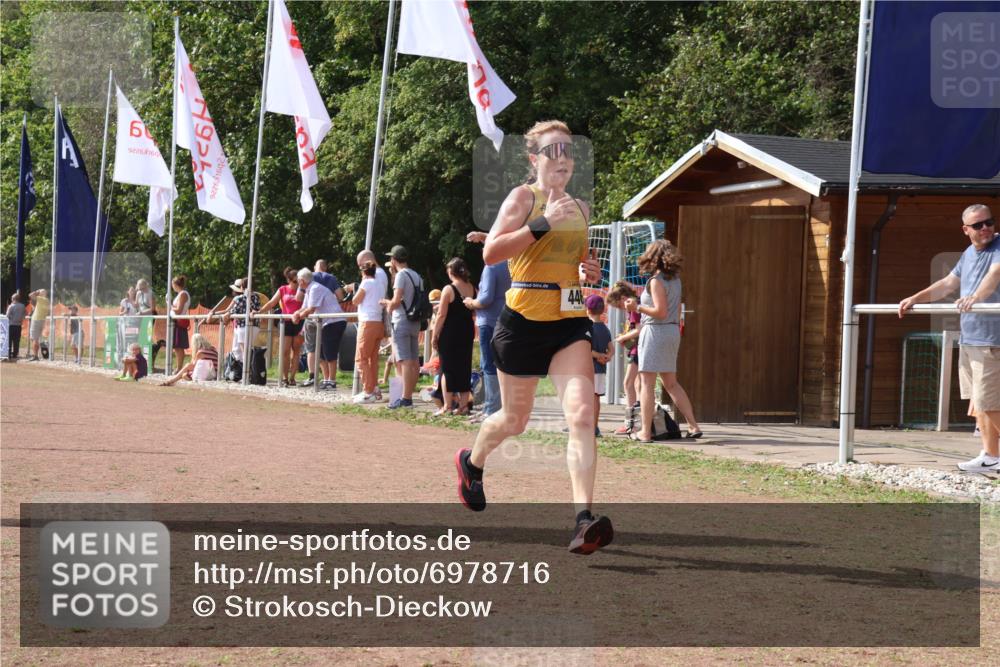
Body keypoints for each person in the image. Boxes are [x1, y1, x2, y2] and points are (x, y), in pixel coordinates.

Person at [453, 120, 611, 555]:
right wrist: (542, 222)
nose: (560, 158)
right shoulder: (524, 198)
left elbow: (581, 261)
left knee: (581, 416)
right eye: (551, 151)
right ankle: (472, 461)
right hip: (522, 321)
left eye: (567, 151)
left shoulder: (581, 208)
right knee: (514, 421)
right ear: (534, 159)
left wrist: (589, 271)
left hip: (568, 322)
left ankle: (583, 520)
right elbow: (491, 253)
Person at [899, 203, 1000, 472]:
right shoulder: (968, 253)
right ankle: (991, 457)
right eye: (978, 225)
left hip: (993, 339)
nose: (986, 228)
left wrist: (976, 298)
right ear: (966, 230)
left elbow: (994, 274)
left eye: (989, 222)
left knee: (990, 403)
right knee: (980, 404)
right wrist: (915, 298)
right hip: (971, 338)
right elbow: (947, 283)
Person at [625, 239, 702, 441]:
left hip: (655, 331)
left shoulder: (655, 281)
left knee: (647, 383)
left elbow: (660, 311)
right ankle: (693, 426)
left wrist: (637, 308)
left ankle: (645, 432)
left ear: (653, 256)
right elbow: (675, 310)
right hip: (671, 331)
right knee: (671, 383)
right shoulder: (676, 279)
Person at [463, 232, 512, 423]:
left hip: (488, 321)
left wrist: (471, 302)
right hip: (505, 319)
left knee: (488, 364)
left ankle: (491, 409)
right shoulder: (509, 264)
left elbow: (485, 299)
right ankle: (496, 407)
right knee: (501, 364)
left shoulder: (491, 267)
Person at [431, 257, 477, 416]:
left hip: (450, 332)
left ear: (451, 272)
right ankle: (463, 406)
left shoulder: (448, 289)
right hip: (466, 331)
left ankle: (447, 406)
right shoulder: (472, 288)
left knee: (447, 369)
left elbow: (441, 315)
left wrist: (435, 334)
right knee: (464, 367)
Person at [380, 245, 424, 409]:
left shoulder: (400, 276)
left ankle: (405, 399)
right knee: (413, 361)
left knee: (404, 360)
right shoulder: (417, 275)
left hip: (402, 321)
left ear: (393, 259)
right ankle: (409, 396)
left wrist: (387, 304)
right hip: (415, 321)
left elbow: (397, 300)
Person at [293, 268, 346, 390]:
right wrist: (296, 313)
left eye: (298, 281)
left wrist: (298, 316)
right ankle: (327, 379)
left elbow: (311, 309)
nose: (297, 283)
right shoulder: (309, 290)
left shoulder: (315, 288)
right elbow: (304, 307)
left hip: (334, 322)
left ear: (301, 281)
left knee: (329, 352)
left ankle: (332, 381)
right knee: (321, 352)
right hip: (326, 323)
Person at [258, 267, 305, 386]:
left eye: (299, 281)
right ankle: (284, 378)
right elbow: (271, 303)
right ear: (288, 281)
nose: (297, 284)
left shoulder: (303, 291)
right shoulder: (283, 289)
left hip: (300, 322)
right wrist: (260, 312)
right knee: (285, 351)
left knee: (296, 351)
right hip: (286, 322)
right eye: (294, 282)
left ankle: (292, 377)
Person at [606, 280, 642, 435]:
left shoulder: (633, 306)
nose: (621, 309)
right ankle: (643, 421)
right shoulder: (635, 304)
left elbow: (640, 329)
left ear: (622, 298)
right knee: (637, 385)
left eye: (618, 306)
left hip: (638, 350)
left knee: (628, 383)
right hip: (639, 348)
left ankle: (631, 424)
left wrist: (622, 338)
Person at [350, 261, 385, 403]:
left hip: (367, 322)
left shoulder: (366, 283)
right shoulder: (380, 284)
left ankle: (368, 390)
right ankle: (374, 387)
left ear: (363, 272)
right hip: (378, 322)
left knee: (361, 358)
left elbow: (355, 301)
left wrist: (354, 289)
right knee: (373, 359)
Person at [586, 294, 613, 437]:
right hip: (601, 370)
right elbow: (611, 349)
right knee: (596, 398)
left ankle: (583, 425)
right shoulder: (605, 328)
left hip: (588, 369)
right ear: (603, 310)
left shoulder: (588, 327)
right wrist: (607, 357)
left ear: (588, 310)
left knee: (584, 398)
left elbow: (587, 350)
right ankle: (594, 427)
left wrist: (598, 356)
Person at [222, 278, 261, 363]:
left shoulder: (239, 298)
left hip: (243, 326)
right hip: (255, 326)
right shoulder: (257, 297)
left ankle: (245, 373)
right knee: (247, 350)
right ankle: (247, 371)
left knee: (244, 351)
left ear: (242, 287)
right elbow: (258, 308)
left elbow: (233, 311)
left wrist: (227, 314)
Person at [170, 275, 191, 371]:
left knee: (179, 346)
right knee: (176, 346)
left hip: (179, 322)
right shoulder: (180, 294)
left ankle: (179, 368)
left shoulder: (183, 294)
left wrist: (170, 305)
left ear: (175, 284)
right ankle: (178, 367)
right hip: (176, 322)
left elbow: (178, 310)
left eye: (172, 284)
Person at [27, 288, 49, 361]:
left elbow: (30, 295)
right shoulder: (47, 301)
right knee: (36, 338)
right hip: (42, 320)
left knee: (34, 339)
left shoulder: (40, 299)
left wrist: (37, 292)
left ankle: (35, 356)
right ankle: (40, 350)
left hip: (36, 319)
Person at [6, 293, 26, 360]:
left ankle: (8, 354)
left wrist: (12, 318)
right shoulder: (23, 306)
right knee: (16, 340)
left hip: (11, 325)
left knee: (9, 340)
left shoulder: (11, 306)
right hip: (18, 325)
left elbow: (7, 315)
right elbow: (24, 314)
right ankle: (15, 354)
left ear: (13, 299)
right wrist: (20, 319)